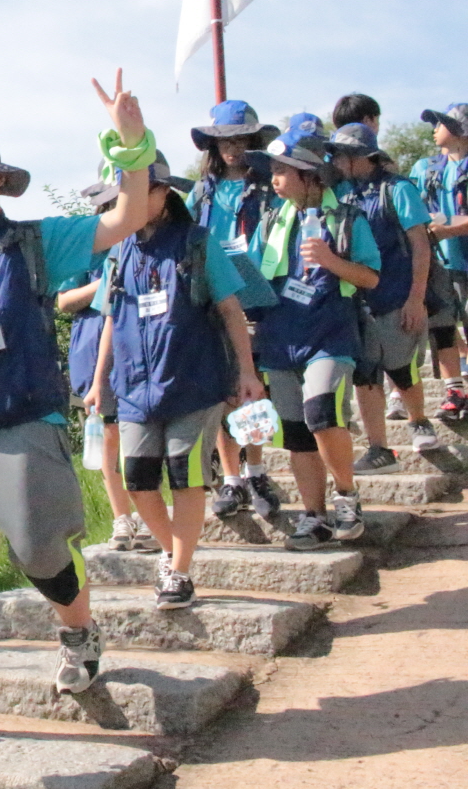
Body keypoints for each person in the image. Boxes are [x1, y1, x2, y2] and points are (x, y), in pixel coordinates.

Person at [0, 70, 151, 700]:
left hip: (20, 420)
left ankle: (79, 631)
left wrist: (132, 145)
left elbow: (129, 216)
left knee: (38, 550)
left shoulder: (38, 242)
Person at [87, 152, 265, 608]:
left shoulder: (198, 243)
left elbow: (230, 308)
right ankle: (172, 550)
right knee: (139, 478)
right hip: (133, 388)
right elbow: (110, 318)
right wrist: (97, 380)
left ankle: (180, 571)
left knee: (185, 476)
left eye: (129, 194)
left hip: (194, 381)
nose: (118, 207)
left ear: (162, 193)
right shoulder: (119, 250)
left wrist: (246, 372)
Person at [245, 118, 382, 550]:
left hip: (330, 335)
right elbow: (251, 279)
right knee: (296, 432)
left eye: (281, 171)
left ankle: (347, 498)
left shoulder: (346, 219)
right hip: (279, 339)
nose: (274, 179)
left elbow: (371, 278)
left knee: (321, 412)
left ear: (308, 176)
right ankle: (315, 518)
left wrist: (330, 260)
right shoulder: (269, 222)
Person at [186, 100, 284, 519]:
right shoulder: (200, 191)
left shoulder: (269, 188)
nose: (232, 148)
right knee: (223, 390)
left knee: (253, 389)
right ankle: (231, 478)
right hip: (214, 302)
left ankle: (257, 468)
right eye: (223, 140)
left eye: (241, 139)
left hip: (259, 297)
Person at [328, 121, 440, 468]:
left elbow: (421, 247)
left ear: (358, 155)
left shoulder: (397, 189)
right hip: (356, 300)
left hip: (395, 295)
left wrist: (415, 299)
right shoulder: (342, 192)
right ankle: (379, 448)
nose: (334, 161)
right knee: (366, 374)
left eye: (339, 154)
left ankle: (418, 419)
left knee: (401, 367)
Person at [57, 176, 153, 553]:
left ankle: (147, 515)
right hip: (90, 354)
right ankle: (121, 519)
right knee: (106, 441)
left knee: (138, 441)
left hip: (137, 355)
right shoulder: (84, 248)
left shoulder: (143, 242)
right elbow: (63, 301)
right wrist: (104, 287)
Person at [411, 103, 468, 420]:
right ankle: (454, 390)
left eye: (442, 123)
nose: (434, 128)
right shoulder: (425, 168)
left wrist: (450, 228)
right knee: (443, 325)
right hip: (440, 263)